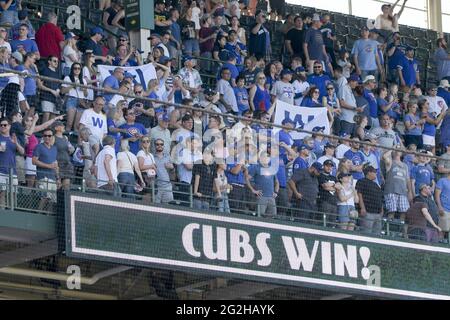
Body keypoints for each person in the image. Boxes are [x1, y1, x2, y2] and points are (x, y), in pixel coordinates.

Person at [382, 149, 413, 221]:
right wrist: (393, 148)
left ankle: (401, 230)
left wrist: (410, 192)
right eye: (396, 150)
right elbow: (384, 156)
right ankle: (389, 230)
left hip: (403, 192)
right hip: (391, 190)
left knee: (404, 212)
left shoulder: (405, 166)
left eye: (399, 150)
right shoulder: (390, 162)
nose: (397, 151)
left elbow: (407, 179)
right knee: (391, 211)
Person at [32, 128, 58, 211]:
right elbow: (34, 161)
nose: (47, 137)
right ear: (43, 137)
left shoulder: (54, 148)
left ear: (52, 137)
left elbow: (56, 164)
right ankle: (38, 214)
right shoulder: (39, 147)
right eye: (45, 136)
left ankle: (48, 215)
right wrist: (48, 166)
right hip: (43, 176)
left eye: (49, 135)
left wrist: (58, 178)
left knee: (52, 201)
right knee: (44, 197)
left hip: (53, 178)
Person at [246, 153, 279, 217]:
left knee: (272, 216)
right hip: (261, 196)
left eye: (268, 156)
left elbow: (277, 182)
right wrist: (253, 190)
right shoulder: (256, 167)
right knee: (260, 216)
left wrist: (276, 192)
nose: (266, 158)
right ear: (261, 158)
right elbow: (247, 178)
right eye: (264, 156)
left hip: (271, 197)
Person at [0, 117, 23, 207]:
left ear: (9, 126)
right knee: (2, 193)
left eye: (5, 125)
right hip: (1, 171)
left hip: (12, 172)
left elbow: (22, 152)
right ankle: (2, 212)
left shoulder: (13, 138)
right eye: (1, 125)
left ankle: (11, 211)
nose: (2, 127)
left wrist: (16, 143)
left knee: (13, 194)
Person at [61, 63, 90, 132]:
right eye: (75, 68)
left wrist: (85, 89)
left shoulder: (83, 80)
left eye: (79, 68)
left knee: (77, 126)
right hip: (71, 99)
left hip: (81, 101)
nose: (77, 70)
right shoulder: (67, 78)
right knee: (69, 123)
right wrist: (72, 85)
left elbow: (86, 94)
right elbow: (62, 91)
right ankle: (67, 140)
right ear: (72, 69)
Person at [356, 165, 383, 235]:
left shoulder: (376, 185)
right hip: (367, 212)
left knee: (377, 235)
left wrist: (381, 210)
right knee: (366, 234)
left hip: (377, 213)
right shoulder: (362, 181)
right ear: (369, 173)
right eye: (374, 172)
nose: (376, 174)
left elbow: (380, 198)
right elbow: (359, 194)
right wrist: (362, 208)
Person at [37, 56, 61, 123]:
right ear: (49, 62)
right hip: (46, 97)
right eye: (54, 61)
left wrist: (58, 90)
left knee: (52, 120)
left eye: (57, 61)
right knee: (46, 116)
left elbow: (59, 85)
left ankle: (49, 132)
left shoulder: (58, 73)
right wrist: (51, 90)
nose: (56, 63)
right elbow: (40, 85)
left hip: (55, 99)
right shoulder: (45, 71)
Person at [317, 159, 340, 226]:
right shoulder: (320, 176)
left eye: (330, 166)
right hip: (325, 202)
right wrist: (334, 186)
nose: (329, 168)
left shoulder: (333, 177)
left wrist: (331, 186)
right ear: (323, 166)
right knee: (324, 223)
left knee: (332, 224)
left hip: (334, 203)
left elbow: (340, 187)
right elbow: (325, 186)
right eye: (327, 166)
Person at [53, 121, 74, 189]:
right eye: (61, 125)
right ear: (56, 128)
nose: (63, 126)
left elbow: (71, 149)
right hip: (58, 164)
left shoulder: (65, 137)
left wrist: (71, 149)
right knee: (57, 185)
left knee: (66, 187)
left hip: (67, 164)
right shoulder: (53, 138)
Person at [153, 138, 174, 204]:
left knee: (167, 208)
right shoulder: (152, 157)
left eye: (161, 144)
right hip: (156, 186)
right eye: (157, 144)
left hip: (167, 186)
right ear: (154, 146)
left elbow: (173, 172)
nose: (159, 145)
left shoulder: (168, 157)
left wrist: (172, 168)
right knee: (155, 208)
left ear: (163, 146)